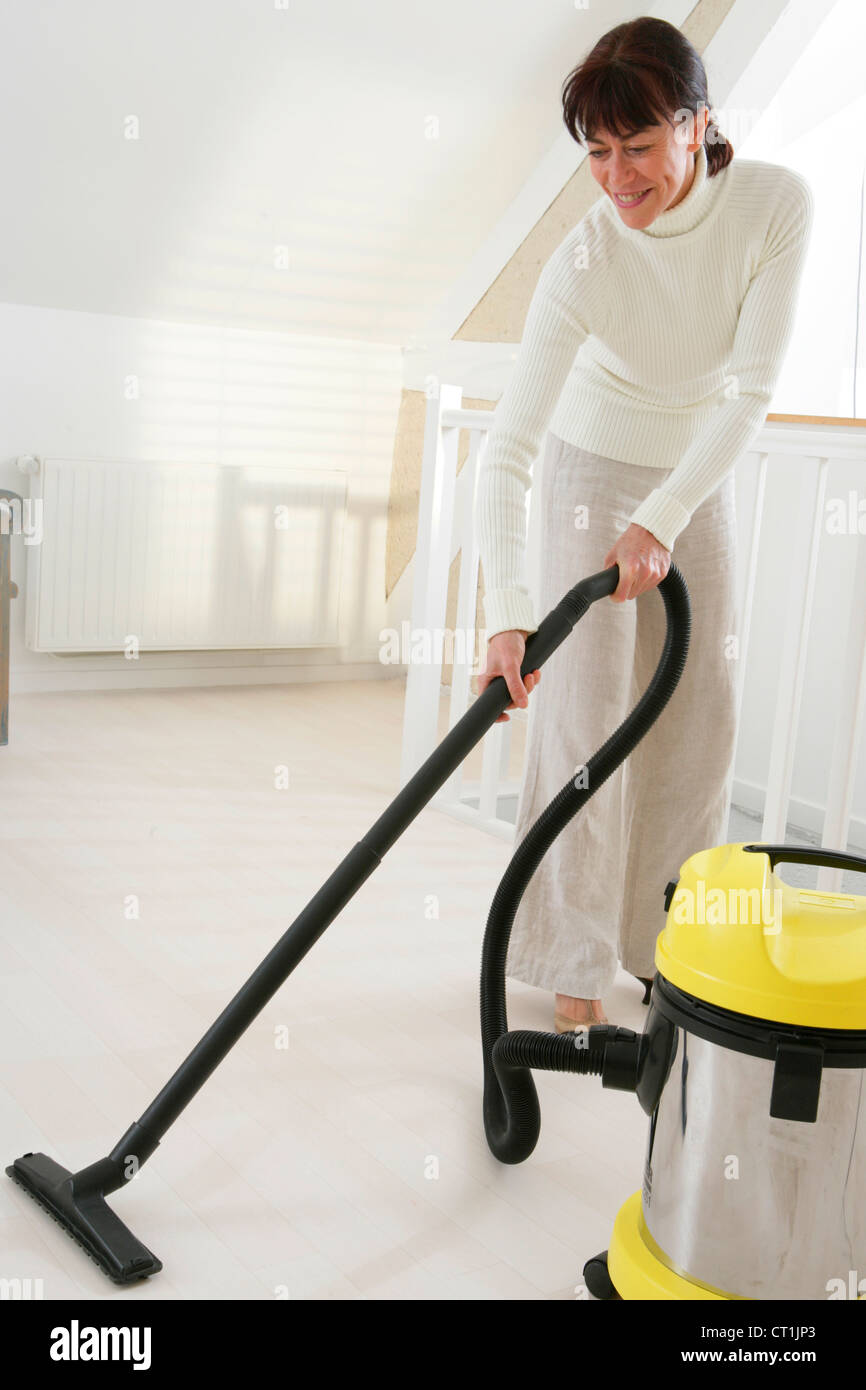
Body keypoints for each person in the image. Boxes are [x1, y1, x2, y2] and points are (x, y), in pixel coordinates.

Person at [472, 17, 814, 1031]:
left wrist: (662, 516)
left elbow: (748, 392)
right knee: (583, 723)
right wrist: (504, 617)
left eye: (637, 147)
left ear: (697, 122)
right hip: (588, 468)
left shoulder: (771, 207)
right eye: (595, 154)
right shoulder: (581, 263)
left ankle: (666, 950)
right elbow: (507, 450)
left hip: (694, 473)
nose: (617, 179)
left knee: (694, 717)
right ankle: (569, 962)